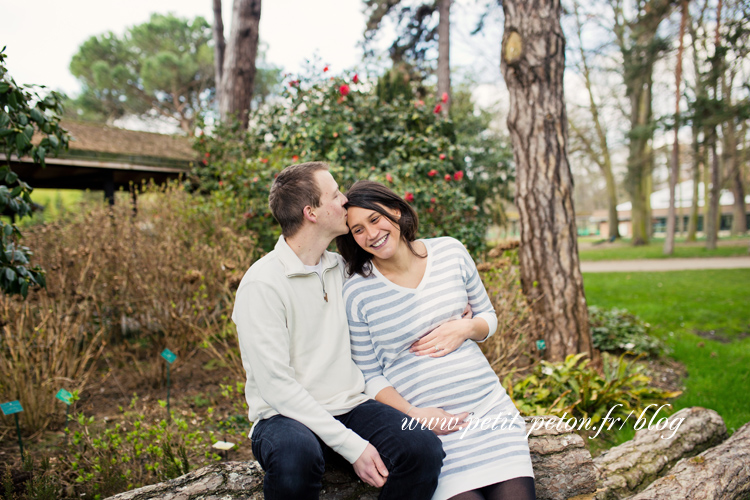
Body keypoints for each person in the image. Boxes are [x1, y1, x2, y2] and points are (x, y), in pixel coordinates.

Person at [232, 163, 444, 500]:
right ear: (311, 212)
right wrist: (353, 447)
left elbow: (394, 301)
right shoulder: (262, 284)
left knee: (423, 448)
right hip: (283, 418)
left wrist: (456, 314)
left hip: (349, 406)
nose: (346, 200)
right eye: (335, 194)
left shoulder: (342, 270)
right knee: (295, 457)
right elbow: (277, 387)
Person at [336, 180, 536, 500]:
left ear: (396, 211)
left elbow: (488, 317)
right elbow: (368, 375)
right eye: (357, 230)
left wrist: (466, 329)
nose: (371, 234)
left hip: (489, 412)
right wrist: (414, 414)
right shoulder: (357, 291)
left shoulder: (450, 251)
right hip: (431, 433)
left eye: (375, 219)